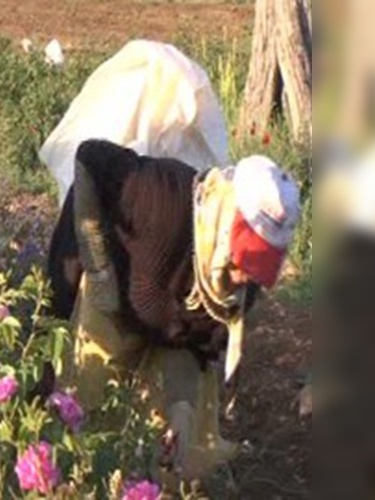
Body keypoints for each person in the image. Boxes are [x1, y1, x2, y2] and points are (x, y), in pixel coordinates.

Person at [37, 41, 302, 480]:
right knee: (79, 421)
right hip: (114, 305)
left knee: (164, 458)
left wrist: (180, 413)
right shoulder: (160, 199)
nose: (243, 274)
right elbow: (90, 160)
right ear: (226, 220)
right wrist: (98, 271)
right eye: (243, 256)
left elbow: (196, 348)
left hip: (164, 327)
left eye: (256, 267)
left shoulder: (235, 292)